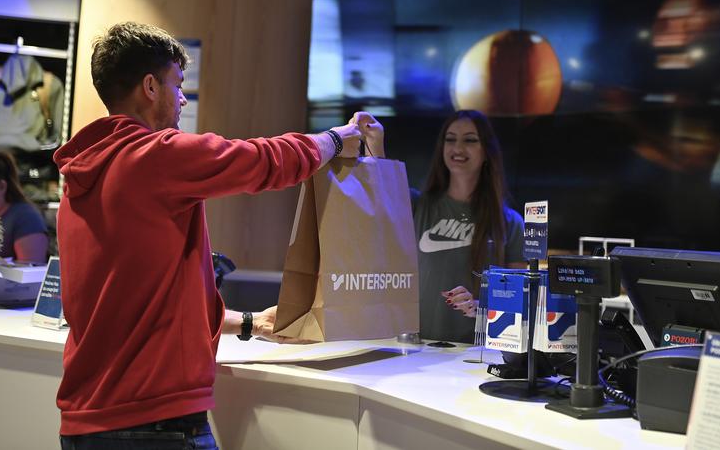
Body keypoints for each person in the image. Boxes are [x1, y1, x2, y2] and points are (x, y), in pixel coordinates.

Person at [55, 22, 362, 449]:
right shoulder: (155, 157)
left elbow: (132, 302)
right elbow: (262, 160)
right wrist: (337, 139)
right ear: (150, 86)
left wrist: (250, 323)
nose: (183, 98)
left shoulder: (82, 176)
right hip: (153, 423)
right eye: (178, 84)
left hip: (87, 424)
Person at [357, 109, 526, 343]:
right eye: (450, 139)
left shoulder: (511, 223)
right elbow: (380, 189)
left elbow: (517, 303)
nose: (458, 148)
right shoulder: (417, 205)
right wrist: (374, 141)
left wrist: (480, 307)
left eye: (470, 140)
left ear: (487, 151)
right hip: (419, 348)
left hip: (474, 353)